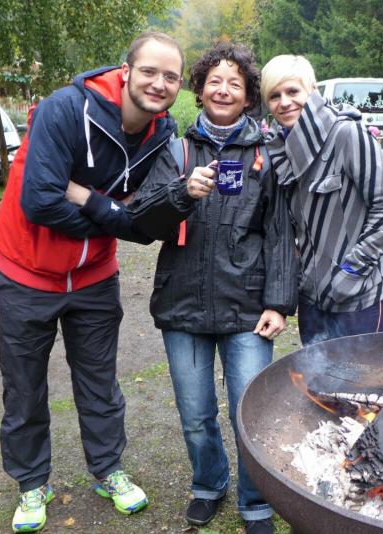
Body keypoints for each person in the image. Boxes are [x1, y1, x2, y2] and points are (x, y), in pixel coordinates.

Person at [0, 32, 184, 532]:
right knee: (24, 389)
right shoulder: (65, 110)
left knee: (99, 383)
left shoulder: (163, 134)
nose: (159, 84)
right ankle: (32, 483)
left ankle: (108, 469)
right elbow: (40, 202)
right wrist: (117, 213)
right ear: (126, 71)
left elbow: (146, 226)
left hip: (95, 277)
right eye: (149, 71)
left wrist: (89, 200)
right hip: (25, 272)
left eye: (171, 77)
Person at [126, 41, 295, 534]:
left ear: (248, 98)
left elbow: (280, 232)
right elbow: (142, 222)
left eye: (234, 84)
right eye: (214, 82)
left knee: (250, 413)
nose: (223, 90)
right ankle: (208, 484)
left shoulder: (266, 153)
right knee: (196, 414)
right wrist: (182, 192)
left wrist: (279, 303)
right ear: (199, 91)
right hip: (183, 305)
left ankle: (255, 501)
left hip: (248, 309)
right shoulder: (176, 150)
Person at [260, 55, 383, 346]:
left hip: (359, 298)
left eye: (292, 91)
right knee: (316, 375)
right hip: (312, 299)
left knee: (360, 375)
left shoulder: (346, 134)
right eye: (274, 96)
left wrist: (350, 272)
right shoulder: (278, 149)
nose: (284, 102)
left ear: (312, 90)